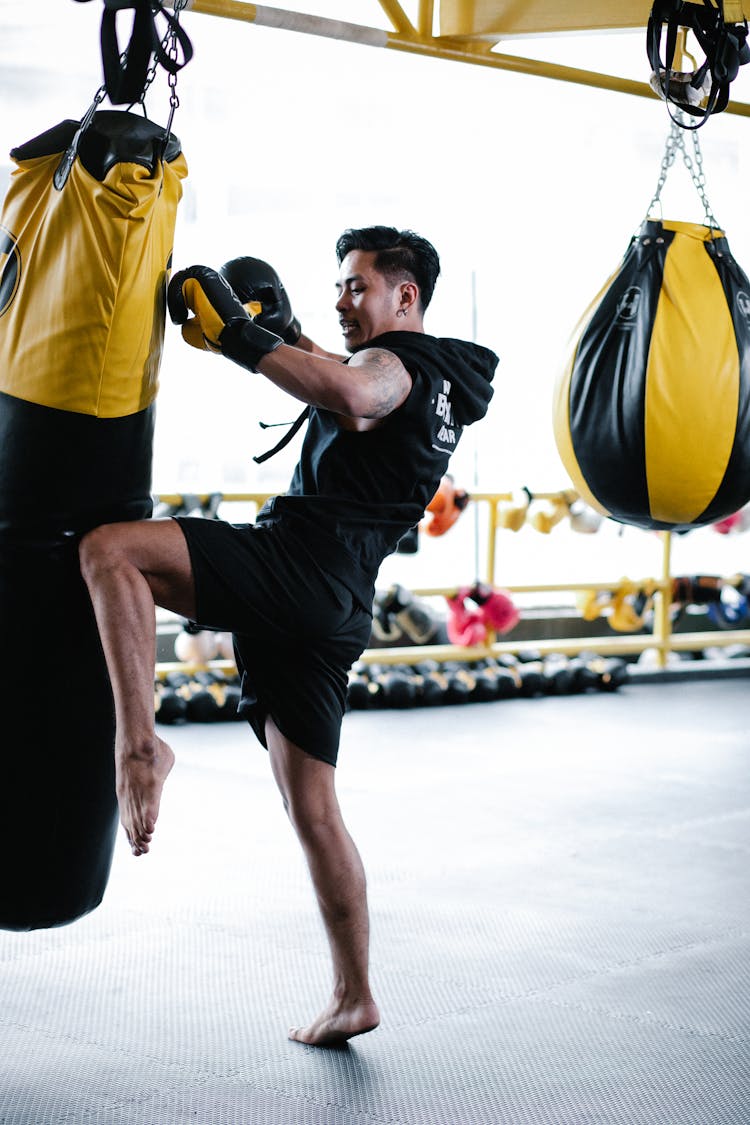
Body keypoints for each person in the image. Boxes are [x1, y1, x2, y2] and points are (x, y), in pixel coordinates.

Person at [79, 225, 498, 1046]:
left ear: (403, 296)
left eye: (357, 286)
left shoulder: (398, 366)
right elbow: (338, 378)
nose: (344, 299)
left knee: (110, 550)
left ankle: (139, 746)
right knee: (314, 808)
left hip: (297, 565)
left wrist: (238, 336)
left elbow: (357, 394)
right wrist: (271, 330)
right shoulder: (439, 381)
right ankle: (355, 993)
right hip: (338, 603)